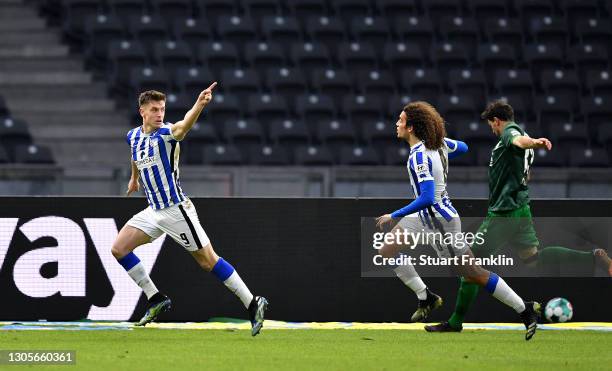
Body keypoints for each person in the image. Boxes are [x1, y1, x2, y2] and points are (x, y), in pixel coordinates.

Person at [426, 99, 612, 333]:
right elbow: (525, 170)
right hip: (521, 209)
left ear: (497, 120)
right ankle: (593, 257)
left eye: (491, 125)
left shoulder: (511, 133)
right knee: (532, 258)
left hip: (504, 214)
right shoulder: (520, 136)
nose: (492, 129)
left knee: (469, 267)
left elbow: (519, 141)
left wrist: (534, 142)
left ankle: (455, 323)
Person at [110, 85, 268, 336]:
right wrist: (134, 178)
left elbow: (183, 127)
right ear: (142, 111)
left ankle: (252, 302)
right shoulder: (133, 136)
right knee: (119, 248)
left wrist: (200, 104)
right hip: (153, 211)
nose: (159, 113)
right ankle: (155, 298)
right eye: (154, 109)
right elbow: (134, 155)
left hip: (176, 210)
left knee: (208, 261)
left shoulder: (167, 134)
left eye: (162, 109)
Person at [377, 101, 540, 340]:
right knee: (387, 249)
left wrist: (395, 214)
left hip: (439, 222)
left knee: (472, 272)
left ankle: (524, 309)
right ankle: (426, 298)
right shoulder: (436, 145)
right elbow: (463, 147)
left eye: (401, 120)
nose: (397, 124)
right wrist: (443, 142)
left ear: (411, 128)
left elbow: (428, 197)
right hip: (424, 217)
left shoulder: (420, 156)